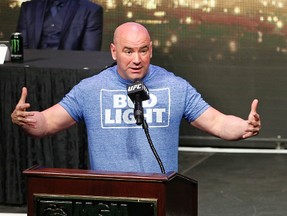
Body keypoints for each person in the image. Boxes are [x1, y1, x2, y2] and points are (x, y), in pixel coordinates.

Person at [11, 22, 261, 174]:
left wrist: (244, 127)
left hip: (160, 195)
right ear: (114, 51)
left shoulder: (175, 87)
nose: (136, 59)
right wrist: (27, 119)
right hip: (109, 197)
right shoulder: (91, 89)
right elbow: (47, 122)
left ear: (151, 50)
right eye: (128, 51)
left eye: (143, 50)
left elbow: (217, 123)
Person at [16, 0, 103, 50]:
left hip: (71, 72)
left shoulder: (91, 10)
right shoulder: (29, 8)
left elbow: (90, 53)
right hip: (32, 70)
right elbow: (21, 49)